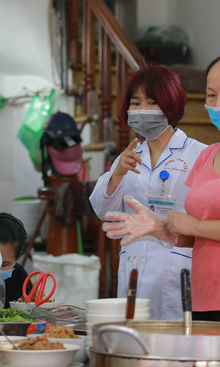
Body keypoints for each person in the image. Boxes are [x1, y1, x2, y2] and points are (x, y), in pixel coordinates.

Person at [103, 52, 220, 367]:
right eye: (211, 95)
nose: (218, 103)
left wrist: (191, 226)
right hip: (204, 298)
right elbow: (193, 234)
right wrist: (156, 227)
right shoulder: (210, 154)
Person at [89, 64, 207, 320]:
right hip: (134, 267)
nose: (143, 110)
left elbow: (207, 219)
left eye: (153, 102)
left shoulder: (200, 155)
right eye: (136, 102)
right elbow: (103, 210)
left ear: (171, 105)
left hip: (176, 267)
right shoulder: (128, 156)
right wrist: (117, 172)